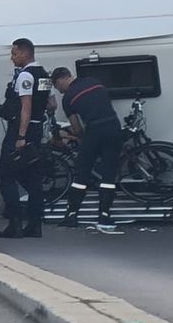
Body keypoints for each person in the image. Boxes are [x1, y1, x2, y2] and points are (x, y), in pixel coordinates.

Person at [50, 66, 123, 234]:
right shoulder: (94, 82)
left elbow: (78, 129)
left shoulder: (68, 98)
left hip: (95, 131)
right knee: (109, 175)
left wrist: (69, 134)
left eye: (57, 86)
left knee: (82, 173)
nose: (59, 91)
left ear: (61, 80)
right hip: (113, 126)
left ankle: (72, 215)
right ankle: (104, 216)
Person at [0, 38, 51, 238]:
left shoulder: (25, 76)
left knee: (5, 176)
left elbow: (25, 108)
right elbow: (51, 104)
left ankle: (15, 222)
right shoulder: (44, 74)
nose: (12, 58)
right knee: (32, 179)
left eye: (14, 54)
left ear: (25, 52)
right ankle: (35, 224)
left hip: (21, 131)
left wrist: (20, 136)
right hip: (37, 130)